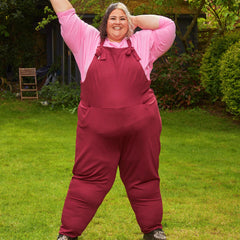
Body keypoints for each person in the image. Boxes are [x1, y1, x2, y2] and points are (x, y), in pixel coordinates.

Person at [49, 1, 175, 239]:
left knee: (144, 178)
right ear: (104, 23)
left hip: (141, 129)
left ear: (129, 24)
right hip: (97, 132)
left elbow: (168, 26)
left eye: (122, 18)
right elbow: (65, 14)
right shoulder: (86, 40)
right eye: (112, 18)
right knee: (86, 180)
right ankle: (67, 234)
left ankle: (153, 230)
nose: (117, 22)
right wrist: (126, 17)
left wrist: (134, 19)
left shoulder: (143, 42)